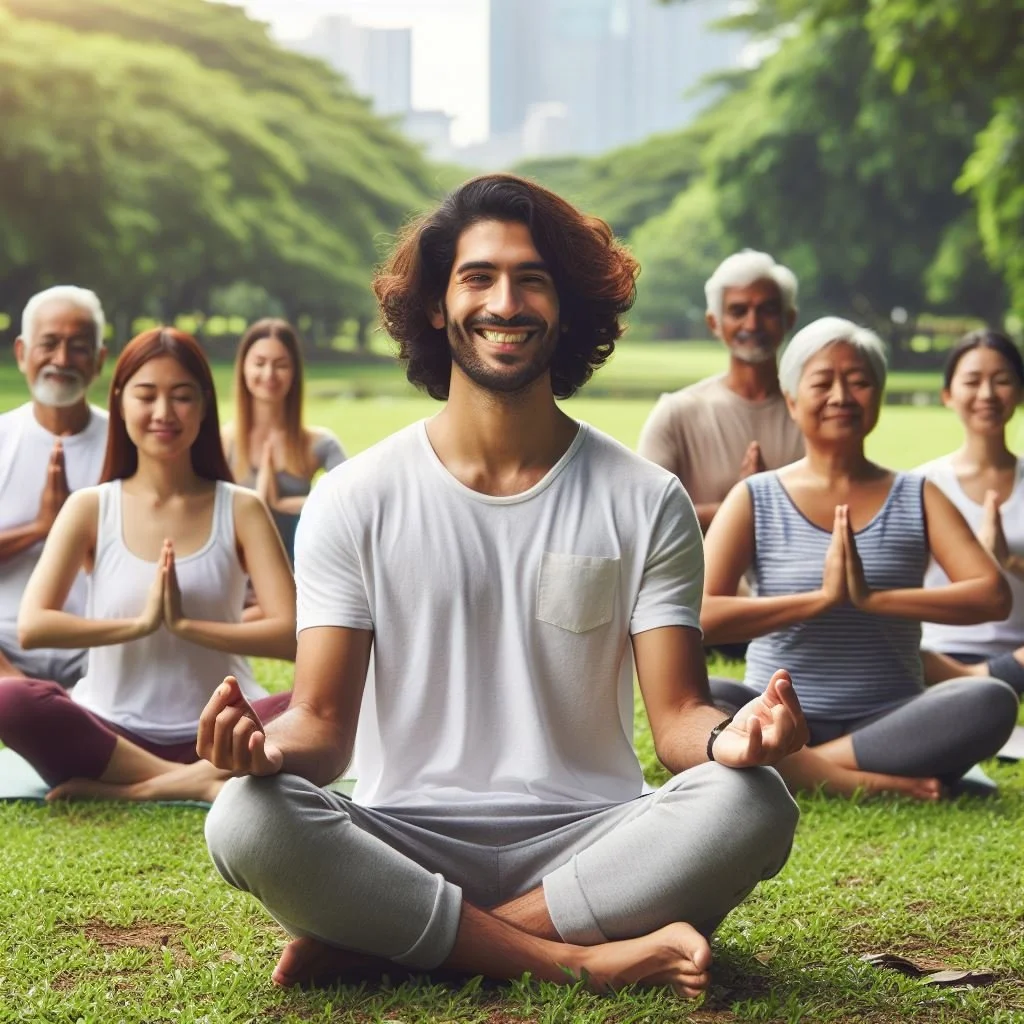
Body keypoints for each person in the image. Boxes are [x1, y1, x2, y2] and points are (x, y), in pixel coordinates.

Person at [199, 174, 806, 998]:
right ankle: (577, 961)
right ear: (438, 306)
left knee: (755, 803)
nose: (506, 301)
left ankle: (393, 943)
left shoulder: (643, 497)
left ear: (567, 307)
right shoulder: (356, 497)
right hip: (403, 839)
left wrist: (726, 741)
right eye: (478, 277)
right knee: (244, 815)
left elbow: (676, 721)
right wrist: (266, 753)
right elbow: (324, 725)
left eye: (532, 279)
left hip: (592, 840)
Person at [702, 317, 1018, 795]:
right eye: (822, 382)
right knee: (703, 698)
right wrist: (819, 600)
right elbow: (697, 616)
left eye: (859, 382)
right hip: (780, 712)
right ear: (791, 399)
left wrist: (873, 599)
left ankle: (802, 767)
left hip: (892, 719)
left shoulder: (917, 493)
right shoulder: (754, 496)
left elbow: (992, 596)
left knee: (989, 700)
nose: (841, 397)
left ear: (879, 396)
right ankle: (872, 781)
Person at [0, 328, 296, 802]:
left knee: (328, 702)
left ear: (204, 406)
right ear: (119, 403)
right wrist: (138, 625)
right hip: (113, 732)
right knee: (9, 699)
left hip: (225, 729)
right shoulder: (91, 507)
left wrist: (186, 625)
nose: (163, 413)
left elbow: (292, 635)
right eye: (146, 395)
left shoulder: (241, 507)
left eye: (182, 397)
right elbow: (34, 626)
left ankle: (139, 790)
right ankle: (199, 780)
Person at [638, 250, 804, 532]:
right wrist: (743, 503)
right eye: (738, 311)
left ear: (789, 319)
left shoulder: (814, 411)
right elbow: (643, 515)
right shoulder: (677, 413)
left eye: (767, 310)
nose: (752, 324)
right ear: (714, 323)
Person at [0, 286, 109, 689]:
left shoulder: (130, 444)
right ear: (22, 353)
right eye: (49, 344)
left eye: (78, 347)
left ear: (99, 359)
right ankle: (15, 689)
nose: (61, 360)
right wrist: (42, 528)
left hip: (94, 643)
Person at [915, 330, 1024, 698]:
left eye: (1002, 381)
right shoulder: (921, 484)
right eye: (972, 381)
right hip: (937, 648)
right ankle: (971, 678)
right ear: (948, 394)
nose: (987, 395)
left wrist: (1008, 561)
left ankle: (974, 678)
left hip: (1018, 653)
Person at [221, 319, 346, 560]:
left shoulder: (321, 444)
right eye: (259, 363)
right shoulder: (222, 443)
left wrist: (282, 504)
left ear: (294, 373)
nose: (269, 374)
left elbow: (353, 504)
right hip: (239, 583)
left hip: (302, 580)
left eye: (280, 365)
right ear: (243, 368)